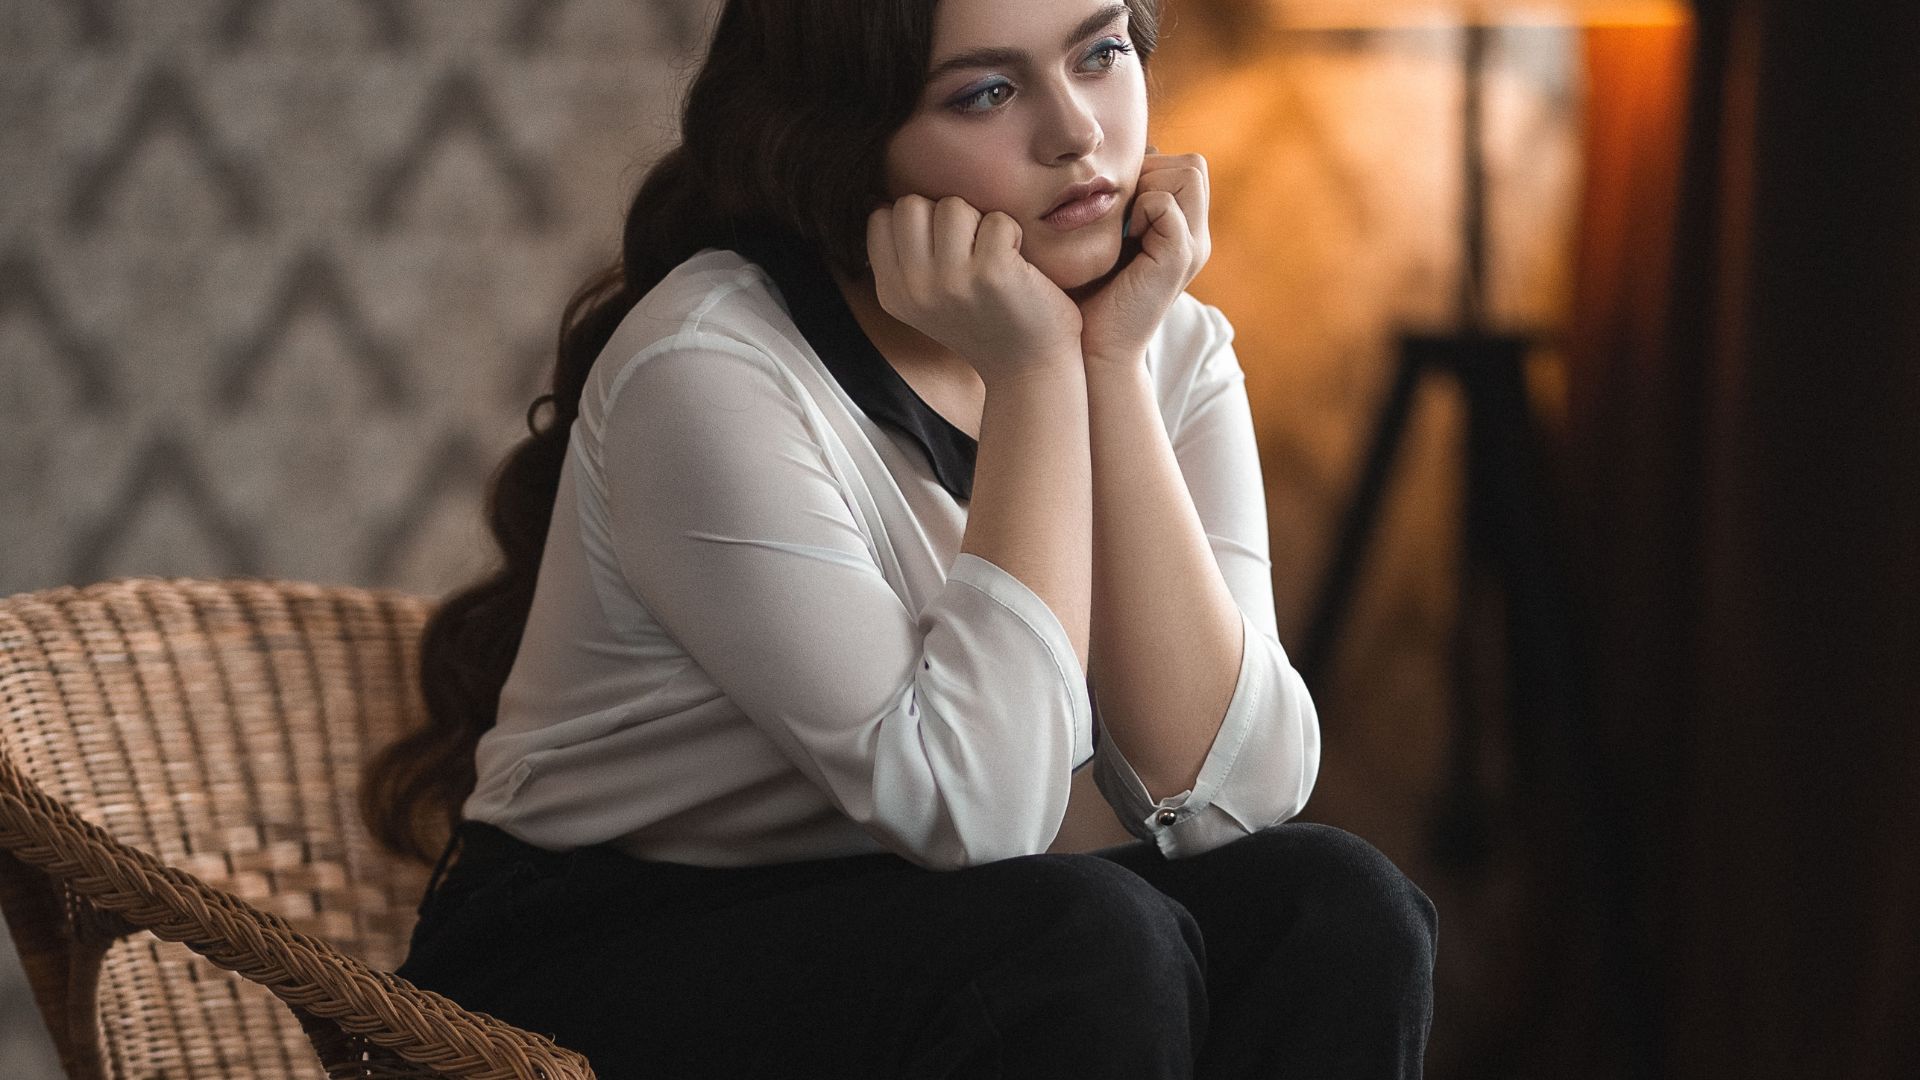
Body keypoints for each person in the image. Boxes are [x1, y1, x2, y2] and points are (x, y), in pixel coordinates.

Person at [360, 0, 1437, 1076]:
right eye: (987, 92)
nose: (1076, 132)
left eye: (1101, 52)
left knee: (1339, 907)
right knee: (1087, 941)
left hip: (923, 921)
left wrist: (1106, 369)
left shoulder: (1165, 340)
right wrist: (1032, 377)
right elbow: (978, 811)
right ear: (850, 142)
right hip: (597, 953)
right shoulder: (707, 367)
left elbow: (1237, 796)